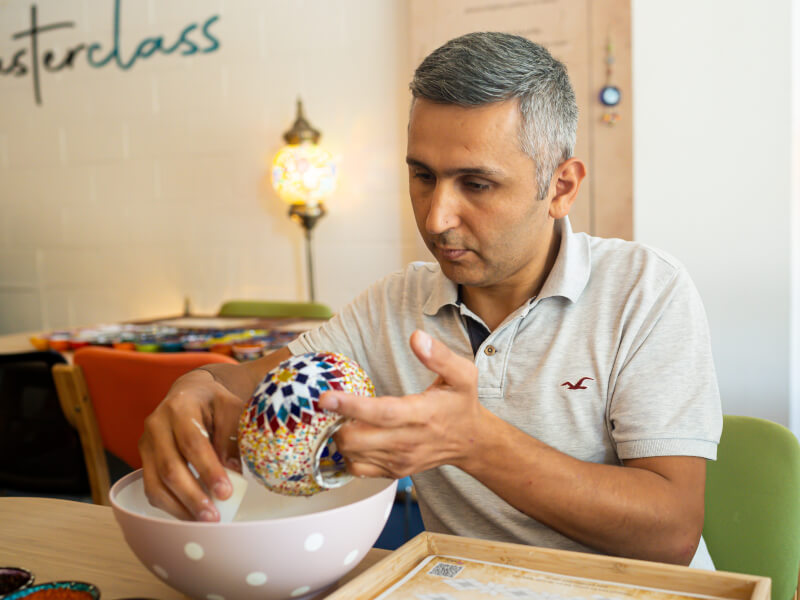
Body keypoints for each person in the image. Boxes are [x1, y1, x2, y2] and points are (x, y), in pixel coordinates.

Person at [139, 32, 722, 568]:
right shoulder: (391, 306)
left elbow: (671, 531)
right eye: (422, 176)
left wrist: (475, 442)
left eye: (476, 184)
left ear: (561, 187)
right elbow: (243, 381)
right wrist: (193, 387)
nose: (437, 218)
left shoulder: (646, 290)